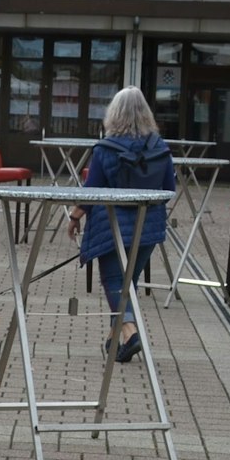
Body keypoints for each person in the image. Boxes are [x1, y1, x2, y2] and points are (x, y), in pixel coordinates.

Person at [68, 87, 175, 364]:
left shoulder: (106, 149)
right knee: (129, 283)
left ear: (113, 113)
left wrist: (75, 216)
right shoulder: (161, 149)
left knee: (114, 281)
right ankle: (116, 343)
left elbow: (92, 191)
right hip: (148, 229)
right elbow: (169, 189)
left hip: (111, 227)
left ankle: (131, 332)